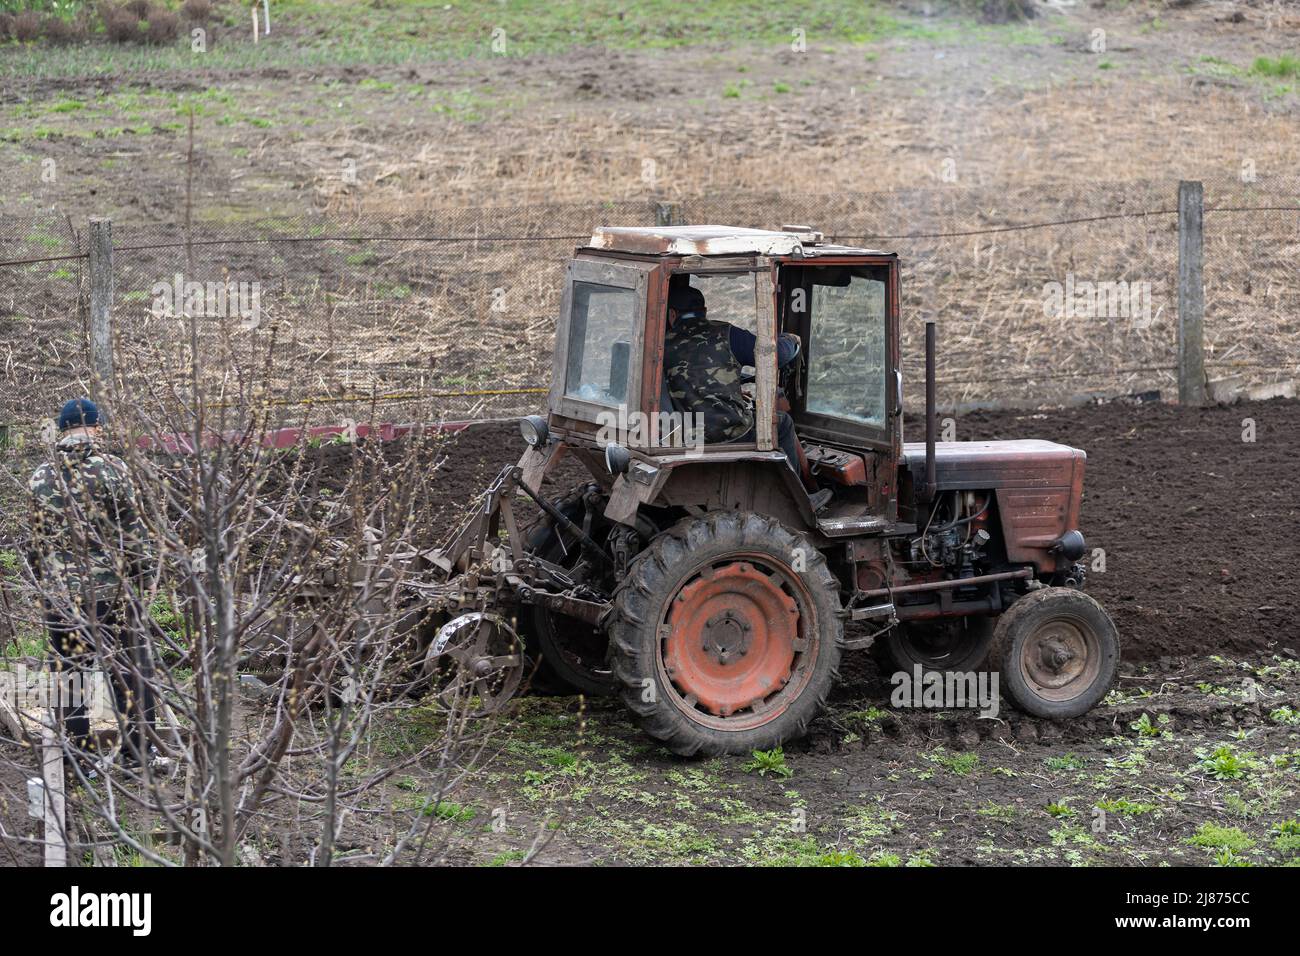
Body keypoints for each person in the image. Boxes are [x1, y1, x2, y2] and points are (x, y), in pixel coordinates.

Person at [26, 398, 158, 773]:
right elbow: (134, 533)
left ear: (63, 429)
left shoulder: (40, 476)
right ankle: (138, 752)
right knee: (129, 670)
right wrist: (144, 580)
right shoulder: (113, 469)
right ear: (96, 427)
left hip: (61, 598)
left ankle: (77, 755)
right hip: (110, 594)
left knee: (70, 673)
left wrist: (45, 583)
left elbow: (36, 542)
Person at [663, 283, 831, 510]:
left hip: (684, 436)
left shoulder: (661, 345)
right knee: (782, 423)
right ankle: (801, 500)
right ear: (704, 311)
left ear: (672, 314)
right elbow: (776, 355)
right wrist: (791, 340)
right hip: (728, 434)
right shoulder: (725, 333)